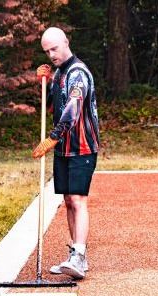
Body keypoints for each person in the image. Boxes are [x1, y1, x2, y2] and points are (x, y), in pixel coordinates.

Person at [32, 27, 99, 280]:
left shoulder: (78, 72)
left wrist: (52, 138)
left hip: (82, 147)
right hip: (63, 148)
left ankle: (79, 256)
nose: (51, 54)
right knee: (68, 200)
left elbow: (73, 109)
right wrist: (45, 84)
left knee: (78, 199)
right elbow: (51, 105)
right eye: (47, 51)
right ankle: (76, 254)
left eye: (54, 48)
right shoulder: (59, 73)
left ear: (65, 42)